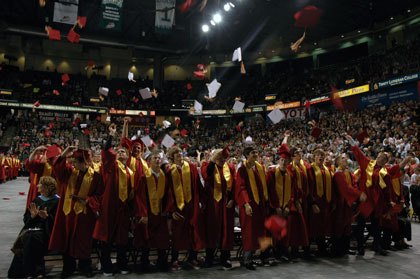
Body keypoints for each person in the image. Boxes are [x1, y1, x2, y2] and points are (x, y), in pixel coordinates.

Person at [49, 146, 103, 278]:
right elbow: (57, 168)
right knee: (67, 240)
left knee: (84, 241)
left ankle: (85, 266)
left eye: (76, 162)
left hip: (85, 214)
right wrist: (65, 153)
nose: (73, 164)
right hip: (68, 213)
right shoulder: (70, 173)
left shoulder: (96, 177)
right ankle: (68, 268)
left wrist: (89, 201)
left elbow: (99, 195)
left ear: (85, 162)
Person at [93, 124, 135, 276]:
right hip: (109, 207)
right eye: (118, 151)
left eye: (123, 151)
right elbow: (106, 151)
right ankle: (106, 266)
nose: (121, 152)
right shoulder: (111, 165)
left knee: (122, 239)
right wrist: (111, 136)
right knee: (107, 239)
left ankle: (122, 264)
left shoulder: (129, 171)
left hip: (123, 209)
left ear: (128, 155)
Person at [345, 134, 392, 256]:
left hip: (377, 202)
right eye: (380, 156)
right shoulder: (368, 164)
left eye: (383, 158)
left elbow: (387, 191)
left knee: (376, 226)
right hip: (365, 200)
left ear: (385, 162)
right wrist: (351, 140)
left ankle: (377, 246)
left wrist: (388, 206)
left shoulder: (385, 173)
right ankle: (360, 247)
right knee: (360, 225)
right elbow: (359, 153)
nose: (380, 158)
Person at [8, 176, 59, 279]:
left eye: (40, 184)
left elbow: (59, 223)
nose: (38, 186)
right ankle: (37, 271)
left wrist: (47, 218)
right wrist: (32, 216)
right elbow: (26, 219)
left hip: (48, 232)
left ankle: (29, 272)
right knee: (30, 237)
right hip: (33, 230)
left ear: (47, 187)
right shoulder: (37, 199)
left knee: (31, 238)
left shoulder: (57, 201)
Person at [267, 144, 309, 261]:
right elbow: (270, 192)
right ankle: (271, 254)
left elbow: (292, 192)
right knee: (273, 232)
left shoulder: (290, 175)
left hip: (285, 208)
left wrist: (288, 206)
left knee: (284, 232)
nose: (284, 163)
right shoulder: (271, 174)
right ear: (278, 160)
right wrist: (276, 207)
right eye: (282, 160)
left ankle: (283, 253)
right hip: (274, 208)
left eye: (286, 161)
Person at [166, 146, 205, 270]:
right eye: (176, 154)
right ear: (172, 157)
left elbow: (198, 185)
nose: (179, 155)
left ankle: (192, 258)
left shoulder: (191, 167)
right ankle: (174, 259)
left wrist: (202, 201)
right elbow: (168, 192)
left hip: (192, 205)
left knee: (194, 232)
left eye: (180, 153)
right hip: (178, 207)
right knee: (177, 234)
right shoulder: (169, 171)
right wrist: (171, 210)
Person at [133, 150, 170, 272]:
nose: (158, 160)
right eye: (155, 158)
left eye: (159, 158)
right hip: (148, 213)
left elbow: (168, 195)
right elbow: (140, 197)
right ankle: (144, 263)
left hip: (160, 213)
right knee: (146, 239)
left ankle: (162, 262)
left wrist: (166, 209)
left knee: (162, 239)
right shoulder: (145, 176)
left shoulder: (164, 176)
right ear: (149, 161)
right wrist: (143, 214)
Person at [200, 147, 235, 269]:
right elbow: (206, 176)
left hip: (226, 204)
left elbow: (234, 185)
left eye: (223, 157)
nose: (222, 159)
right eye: (219, 157)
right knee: (211, 230)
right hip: (212, 204)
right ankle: (209, 258)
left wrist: (232, 200)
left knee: (226, 231)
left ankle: (225, 257)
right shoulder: (207, 165)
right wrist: (213, 160)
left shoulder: (230, 167)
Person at [235, 146, 268, 270]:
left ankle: (255, 257)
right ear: (247, 155)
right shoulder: (242, 169)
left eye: (256, 152)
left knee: (259, 232)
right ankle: (247, 260)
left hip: (259, 205)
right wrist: (246, 204)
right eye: (253, 153)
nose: (256, 154)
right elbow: (241, 187)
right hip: (249, 205)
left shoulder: (257, 168)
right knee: (249, 233)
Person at [332, 154, 366, 257]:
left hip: (348, 203)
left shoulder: (348, 173)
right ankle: (337, 250)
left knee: (347, 226)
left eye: (345, 158)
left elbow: (354, 184)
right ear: (337, 162)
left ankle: (345, 248)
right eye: (342, 158)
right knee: (340, 226)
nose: (345, 159)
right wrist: (359, 194)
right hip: (340, 203)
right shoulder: (338, 174)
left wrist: (358, 192)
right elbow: (345, 189)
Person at [307, 148, 335, 256]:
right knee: (313, 226)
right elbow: (309, 186)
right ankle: (308, 250)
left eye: (322, 155)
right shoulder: (310, 169)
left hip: (326, 203)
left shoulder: (327, 170)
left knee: (323, 226)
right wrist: (312, 203)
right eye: (318, 155)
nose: (320, 157)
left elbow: (332, 187)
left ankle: (322, 248)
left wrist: (333, 202)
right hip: (315, 202)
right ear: (314, 157)